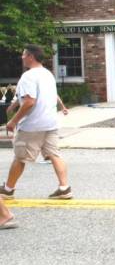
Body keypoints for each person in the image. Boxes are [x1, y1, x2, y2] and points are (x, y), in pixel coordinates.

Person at [0, 45, 73, 200]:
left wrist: (13, 121)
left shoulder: (29, 76)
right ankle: (64, 187)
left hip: (33, 125)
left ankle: (8, 189)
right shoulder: (47, 74)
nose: (22, 57)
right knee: (54, 154)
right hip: (50, 122)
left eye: (23, 54)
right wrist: (13, 105)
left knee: (20, 157)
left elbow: (29, 102)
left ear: (31, 57)